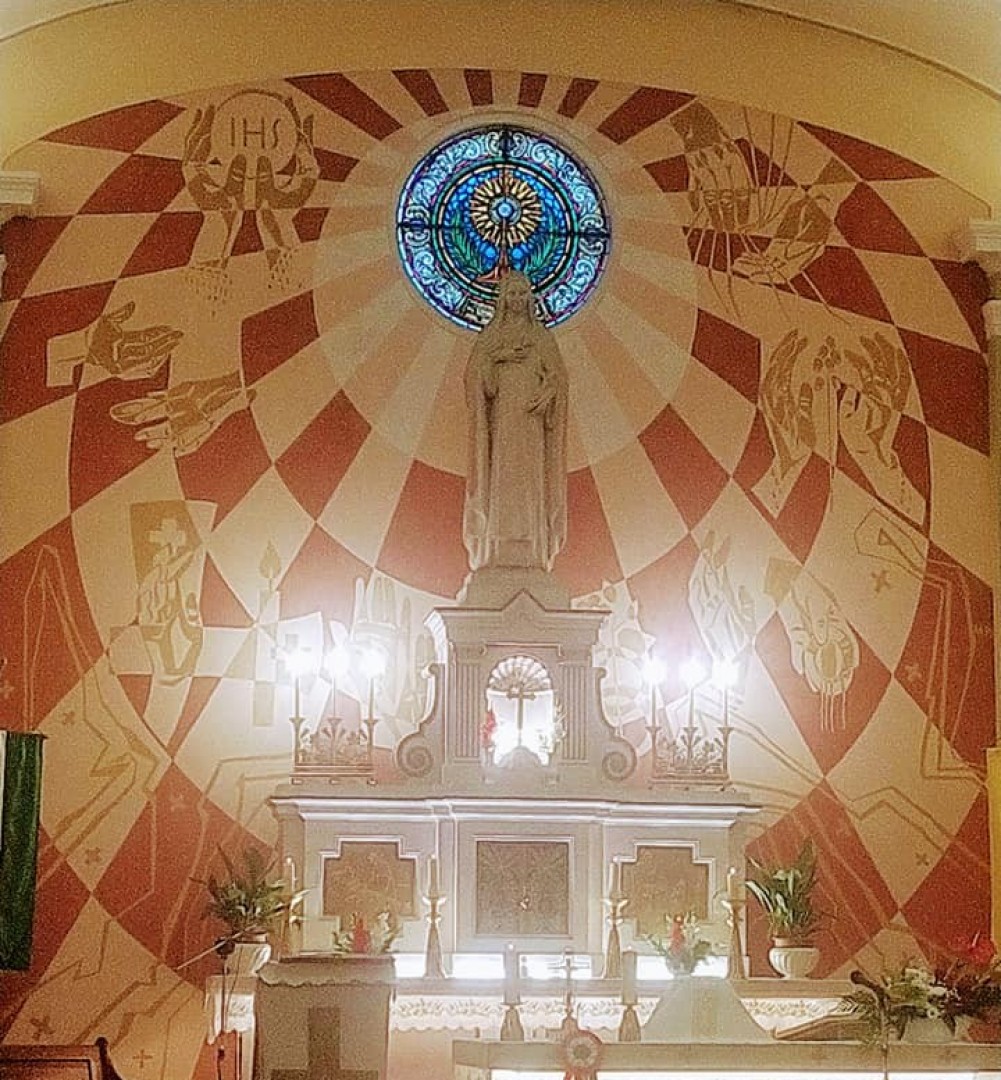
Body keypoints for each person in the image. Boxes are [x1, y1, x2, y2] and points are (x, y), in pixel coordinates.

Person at [463, 272, 568, 573]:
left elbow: (558, 379)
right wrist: (498, 357)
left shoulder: (541, 337)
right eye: (512, 294)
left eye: (523, 293)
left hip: (532, 422)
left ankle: (534, 546)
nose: (518, 300)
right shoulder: (491, 337)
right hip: (503, 420)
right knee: (502, 475)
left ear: (530, 298)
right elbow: (476, 379)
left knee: (531, 478)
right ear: (503, 299)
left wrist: (548, 393)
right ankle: (496, 546)